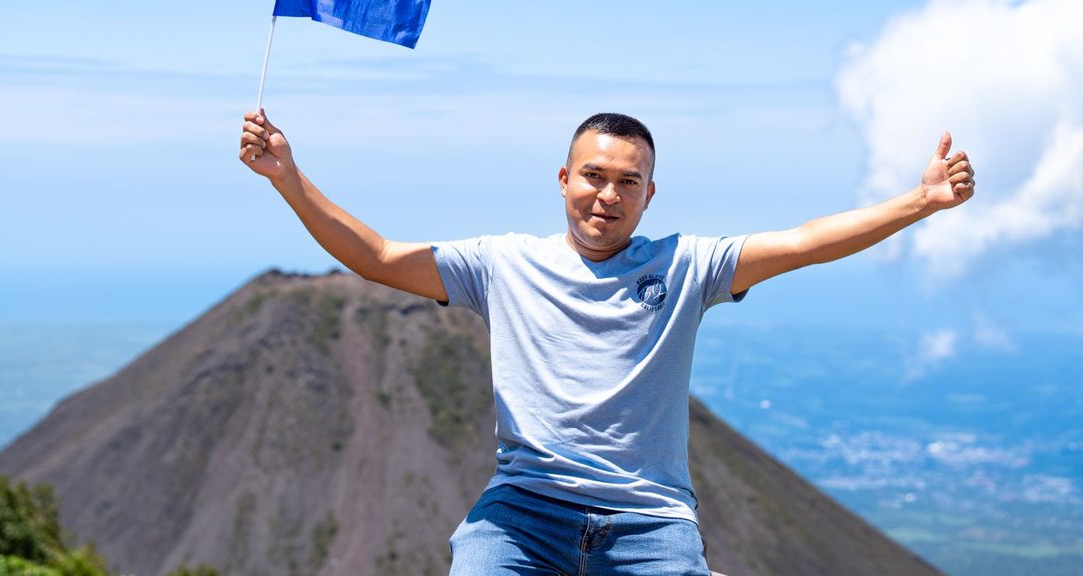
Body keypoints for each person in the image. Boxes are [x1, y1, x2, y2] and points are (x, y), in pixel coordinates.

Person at [239, 109, 975, 575]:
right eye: (593, 176)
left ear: (650, 195)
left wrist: (923, 200)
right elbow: (379, 257)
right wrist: (288, 178)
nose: (608, 195)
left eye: (629, 182)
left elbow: (806, 243)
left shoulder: (687, 265)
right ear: (563, 179)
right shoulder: (503, 264)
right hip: (523, 514)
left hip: (651, 521)